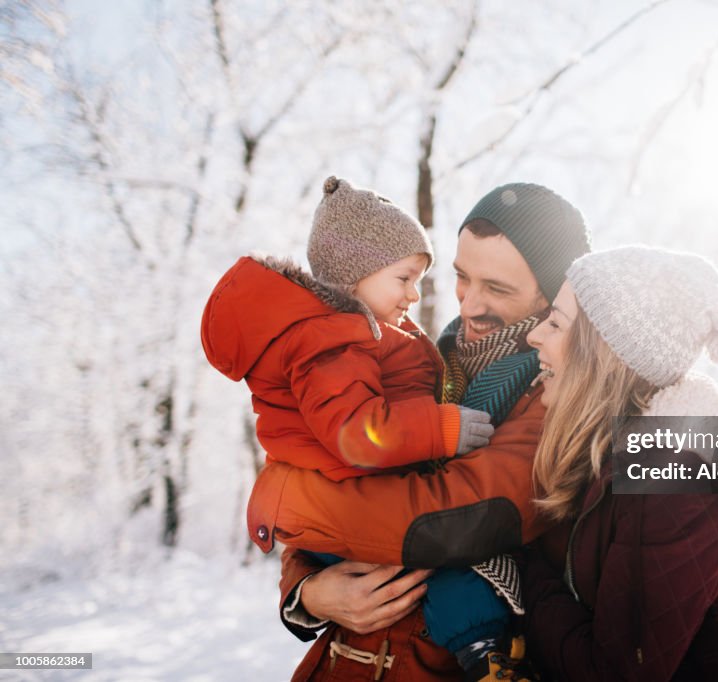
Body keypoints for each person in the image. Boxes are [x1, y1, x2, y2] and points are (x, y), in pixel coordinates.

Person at [246, 183, 592, 680]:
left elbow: (459, 516)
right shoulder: (419, 360)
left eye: (497, 288)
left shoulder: (555, 394)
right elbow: (336, 468)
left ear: (551, 292)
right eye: (461, 277)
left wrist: (289, 498)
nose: (469, 306)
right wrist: (310, 593)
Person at [201, 177, 516, 673]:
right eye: (404, 278)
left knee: (454, 576)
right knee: (452, 580)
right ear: (356, 274)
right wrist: (308, 595)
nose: (416, 295)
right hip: (349, 564)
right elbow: (354, 432)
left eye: (498, 285)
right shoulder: (333, 341)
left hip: (370, 552)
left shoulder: (365, 337)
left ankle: (486, 652)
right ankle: (487, 657)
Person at [516, 246, 718, 681]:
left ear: (602, 353)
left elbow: (613, 673)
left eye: (557, 323)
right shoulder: (613, 452)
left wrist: (519, 567)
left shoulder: (675, 484)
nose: (535, 335)